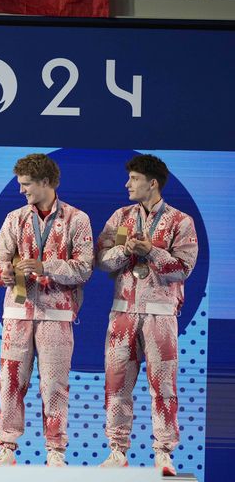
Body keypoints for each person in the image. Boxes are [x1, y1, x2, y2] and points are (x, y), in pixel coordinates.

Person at [97, 154, 198, 477]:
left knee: (163, 387)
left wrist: (150, 251)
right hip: (122, 313)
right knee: (116, 385)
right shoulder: (120, 217)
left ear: (151, 183)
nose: (127, 184)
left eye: (134, 179)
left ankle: (163, 454)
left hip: (161, 316)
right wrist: (126, 250)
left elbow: (182, 269)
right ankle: (117, 450)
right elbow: (101, 260)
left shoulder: (181, 222)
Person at [0, 153, 93, 467]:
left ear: (45, 182)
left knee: (54, 384)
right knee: (10, 382)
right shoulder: (15, 219)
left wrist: (45, 266)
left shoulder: (78, 219)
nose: (22, 190)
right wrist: (5, 273)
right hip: (18, 312)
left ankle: (56, 451)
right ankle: (6, 447)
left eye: (26, 184)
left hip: (57, 314)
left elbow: (85, 268)